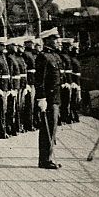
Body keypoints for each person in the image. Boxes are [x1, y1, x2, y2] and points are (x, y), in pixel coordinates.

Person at [35, 28, 63, 169]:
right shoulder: (43, 57)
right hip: (49, 99)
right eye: (55, 39)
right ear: (47, 40)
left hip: (56, 99)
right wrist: (41, 98)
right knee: (47, 129)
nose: (58, 41)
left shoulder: (55, 56)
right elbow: (39, 80)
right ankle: (45, 160)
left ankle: (49, 157)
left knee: (52, 129)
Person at [22, 36, 37, 131]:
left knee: (34, 104)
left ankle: (34, 122)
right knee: (29, 104)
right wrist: (27, 83)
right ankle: (29, 124)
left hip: (34, 81)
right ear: (26, 44)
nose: (32, 44)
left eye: (32, 43)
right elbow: (24, 70)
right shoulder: (25, 55)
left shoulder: (33, 54)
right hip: (29, 82)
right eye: (30, 43)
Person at [58, 38, 74, 125]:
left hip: (68, 81)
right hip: (65, 81)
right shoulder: (62, 56)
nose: (71, 48)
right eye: (69, 46)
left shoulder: (67, 56)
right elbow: (62, 70)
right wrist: (65, 82)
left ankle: (66, 117)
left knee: (67, 100)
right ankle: (62, 118)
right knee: (64, 101)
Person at [69, 41, 81, 123]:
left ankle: (75, 115)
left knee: (76, 99)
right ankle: (72, 116)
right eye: (76, 49)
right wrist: (73, 82)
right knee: (72, 100)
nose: (77, 50)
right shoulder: (71, 59)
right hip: (73, 82)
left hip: (77, 81)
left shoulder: (75, 59)